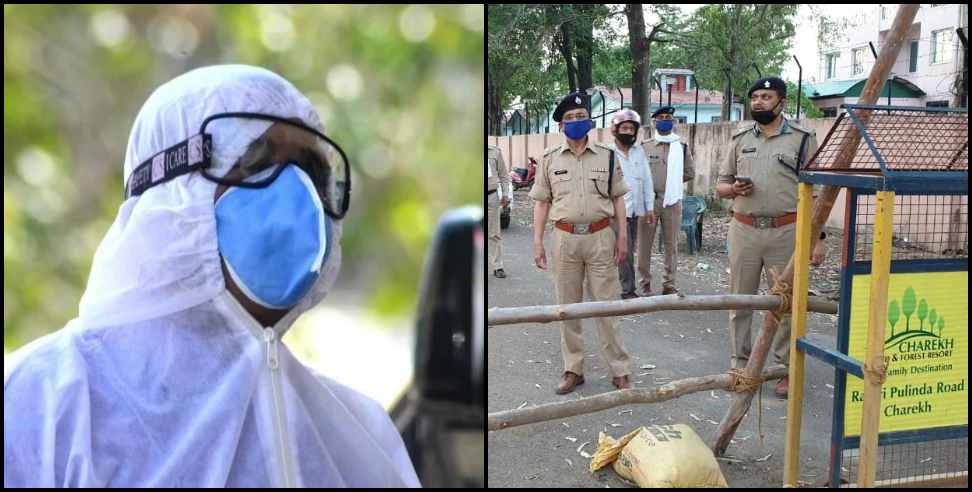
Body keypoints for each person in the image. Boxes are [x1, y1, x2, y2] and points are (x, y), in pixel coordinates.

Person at [3, 65, 420, 487]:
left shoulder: (361, 436)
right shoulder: (38, 405)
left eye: (311, 170)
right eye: (253, 159)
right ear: (169, 195)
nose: (294, 192)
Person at [715, 76, 825, 399]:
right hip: (744, 230)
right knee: (740, 300)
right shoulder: (739, 139)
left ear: (781, 102)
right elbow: (720, 186)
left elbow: (816, 193)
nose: (759, 102)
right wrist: (733, 189)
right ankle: (741, 365)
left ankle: (785, 369)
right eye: (755, 97)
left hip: (787, 231)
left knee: (787, 304)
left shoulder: (803, 140)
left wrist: (818, 238)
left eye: (766, 96)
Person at [529, 90, 632, 395]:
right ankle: (573, 369)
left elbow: (618, 199)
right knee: (567, 308)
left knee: (607, 306)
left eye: (582, 116)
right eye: (570, 118)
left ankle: (620, 370)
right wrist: (537, 242)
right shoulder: (549, 159)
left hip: (601, 236)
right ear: (561, 125)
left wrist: (622, 237)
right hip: (564, 239)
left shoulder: (607, 155)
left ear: (590, 120)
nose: (577, 121)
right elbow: (541, 203)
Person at [637, 106, 695, 296]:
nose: (664, 120)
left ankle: (669, 284)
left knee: (672, 245)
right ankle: (645, 283)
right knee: (645, 244)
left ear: (674, 121)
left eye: (668, 117)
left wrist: (671, 186)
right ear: (654, 122)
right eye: (661, 117)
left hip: (672, 202)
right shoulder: (645, 146)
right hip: (649, 202)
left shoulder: (682, 147)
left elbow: (689, 173)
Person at [609, 108, 655, 299]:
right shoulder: (607, 153)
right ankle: (627, 290)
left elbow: (646, 180)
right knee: (623, 251)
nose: (628, 132)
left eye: (631, 128)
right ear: (615, 129)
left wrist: (649, 207)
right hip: (614, 212)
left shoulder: (639, 152)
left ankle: (621, 285)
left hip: (635, 211)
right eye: (624, 128)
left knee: (628, 250)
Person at [487, 144, 512, 278]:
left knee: (494, 233)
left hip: (491, 196)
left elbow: (503, 175)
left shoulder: (495, 152)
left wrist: (506, 194)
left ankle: (498, 266)